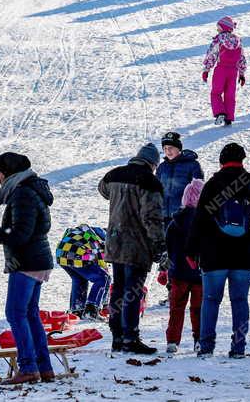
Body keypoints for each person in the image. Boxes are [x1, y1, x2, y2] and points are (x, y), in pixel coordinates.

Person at [187, 142, 250, 358]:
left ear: (221, 161)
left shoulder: (213, 185)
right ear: (242, 160)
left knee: (210, 300)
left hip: (213, 255)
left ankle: (206, 346)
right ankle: (238, 347)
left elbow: (199, 220)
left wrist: (191, 250)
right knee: (240, 301)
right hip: (245, 256)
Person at [0, 152, 55, 384]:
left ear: (9, 173)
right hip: (36, 261)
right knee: (30, 314)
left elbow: (19, 234)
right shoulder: (27, 191)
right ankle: (44, 367)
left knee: (15, 313)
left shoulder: (22, 194)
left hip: (27, 262)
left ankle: (29, 367)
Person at [98, 143, 167, 355]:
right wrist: (159, 246)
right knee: (133, 291)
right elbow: (151, 218)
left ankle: (117, 336)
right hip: (137, 244)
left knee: (118, 288)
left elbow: (103, 189)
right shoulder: (150, 182)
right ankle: (130, 337)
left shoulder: (114, 175)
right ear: (153, 164)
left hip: (115, 241)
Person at [162, 177, 204, 354]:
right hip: (200, 274)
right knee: (199, 309)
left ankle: (172, 341)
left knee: (176, 308)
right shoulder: (206, 222)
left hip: (178, 273)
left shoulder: (174, 222)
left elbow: (168, 248)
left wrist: (167, 269)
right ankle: (199, 339)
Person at [55, 224, 109, 320]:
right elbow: (102, 264)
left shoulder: (87, 232)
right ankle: (91, 310)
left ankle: (77, 310)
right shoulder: (102, 241)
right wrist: (105, 302)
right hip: (76, 256)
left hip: (61, 255)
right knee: (103, 278)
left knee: (80, 279)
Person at [202, 16, 247, 126]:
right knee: (230, 95)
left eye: (219, 28)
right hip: (233, 72)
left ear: (224, 28)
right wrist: (241, 73)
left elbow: (211, 54)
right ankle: (229, 117)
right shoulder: (238, 41)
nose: (217, 30)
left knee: (216, 93)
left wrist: (206, 69)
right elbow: (242, 58)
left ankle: (220, 112)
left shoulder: (219, 39)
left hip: (221, 70)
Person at [156, 131, 204, 222]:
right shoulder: (162, 167)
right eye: (165, 148)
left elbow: (198, 190)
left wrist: (188, 210)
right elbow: (156, 189)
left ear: (178, 148)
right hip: (163, 216)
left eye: (171, 148)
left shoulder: (192, 165)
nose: (167, 151)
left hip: (183, 216)